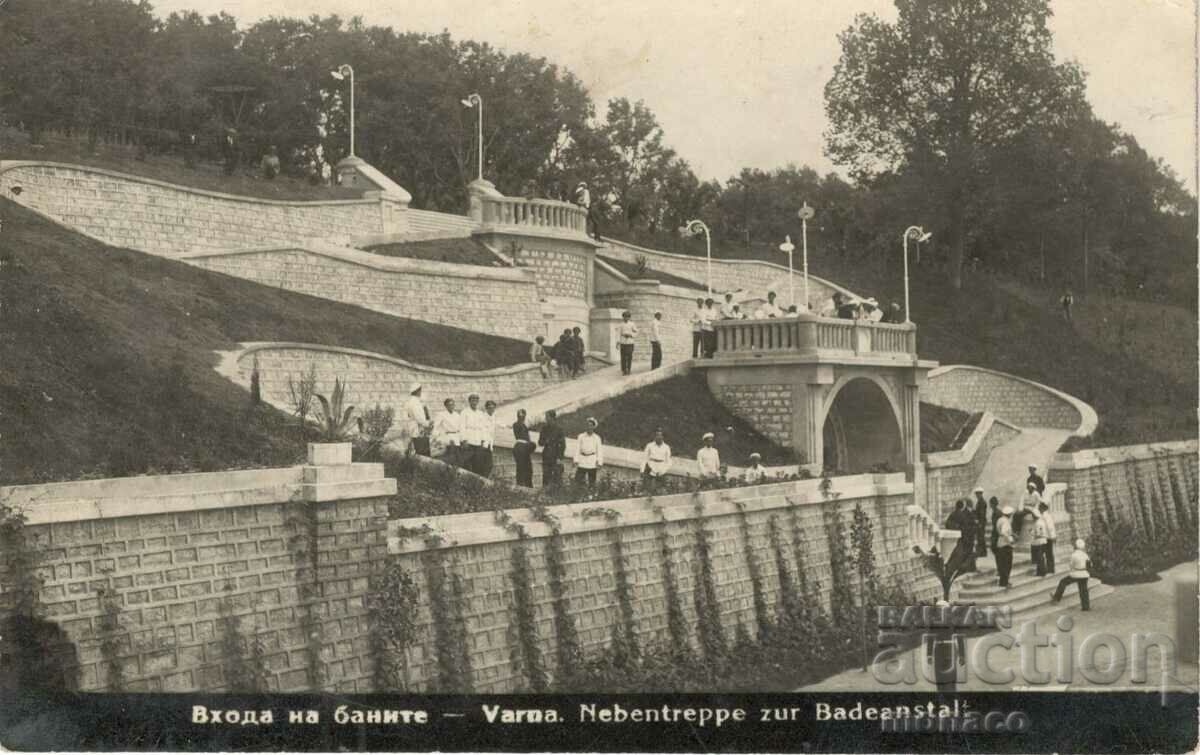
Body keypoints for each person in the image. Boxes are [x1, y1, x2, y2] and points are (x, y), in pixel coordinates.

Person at [924, 599, 967, 694]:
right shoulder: (934, 622)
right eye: (938, 609)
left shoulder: (953, 621)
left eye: (941, 609)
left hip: (950, 649)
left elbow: (959, 637)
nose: (939, 611)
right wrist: (929, 655)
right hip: (938, 649)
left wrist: (962, 655)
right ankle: (942, 699)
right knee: (939, 677)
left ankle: (953, 697)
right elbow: (930, 638)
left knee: (951, 676)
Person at [1049, 540, 1091, 611]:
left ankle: (1056, 598)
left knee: (1063, 582)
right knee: (1084, 590)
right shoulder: (1085, 555)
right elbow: (1089, 565)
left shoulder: (1074, 555)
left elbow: (1071, 565)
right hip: (1084, 573)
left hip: (1076, 573)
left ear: (1076, 546)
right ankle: (1086, 607)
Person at [461, 393, 491, 476]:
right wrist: (464, 440)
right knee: (467, 462)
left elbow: (483, 428)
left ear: (478, 402)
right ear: (469, 401)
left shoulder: (480, 413)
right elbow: (462, 427)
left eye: (476, 400)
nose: (474, 402)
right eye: (472, 400)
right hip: (469, 440)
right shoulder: (464, 412)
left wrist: (483, 440)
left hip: (478, 440)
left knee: (478, 462)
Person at [432, 398, 464, 466]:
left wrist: (461, 438)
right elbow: (435, 426)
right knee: (449, 456)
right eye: (449, 405)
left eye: (452, 405)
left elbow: (460, 428)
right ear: (445, 406)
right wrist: (438, 436)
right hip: (447, 437)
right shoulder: (441, 414)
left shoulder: (457, 415)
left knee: (458, 457)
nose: (451, 406)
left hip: (456, 437)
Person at [539, 410, 566, 488]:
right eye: (546, 417)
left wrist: (560, 457)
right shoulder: (544, 428)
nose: (546, 419)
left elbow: (563, 445)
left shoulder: (559, 429)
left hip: (555, 456)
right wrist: (545, 441)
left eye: (547, 417)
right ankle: (545, 493)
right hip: (546, 456)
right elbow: (540, 442)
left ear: (552, 418)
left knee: (557, 477)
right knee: (546, 476)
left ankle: (556, 494)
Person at [404, 382, 433, 456]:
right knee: (423, 453)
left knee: (420, 451)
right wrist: (428, 423)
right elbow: (419, 418)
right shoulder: (415, 402)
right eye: (420, 390)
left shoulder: (410, 401)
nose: (421, 392)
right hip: (419, 429)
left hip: (416, 429)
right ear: (417, 391)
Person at [573, 418, 603, 486]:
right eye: (587, 425)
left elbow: (599, 450)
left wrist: (599, 462)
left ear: (593, 427)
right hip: (582, 460)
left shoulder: (597, 438)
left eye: (591, 425)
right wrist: (576, 460)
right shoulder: (581, 436)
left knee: (592, 481)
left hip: (592, 461)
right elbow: (577, 449)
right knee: (578, 480)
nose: (589, 427)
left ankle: (590, 494)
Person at [642, 428, 672, 494]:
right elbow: (644, 458)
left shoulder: (666, 447)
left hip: (661, 467)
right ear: (654, 436)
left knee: (662, 489)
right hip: (651, 466)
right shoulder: (649, 445)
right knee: (648, 487)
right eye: (657, 435)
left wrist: (664, 470)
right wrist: (642, 470)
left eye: (660, 435)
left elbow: (668, 460)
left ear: (663, 437)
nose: (658, 437)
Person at [512, 408, 535, 487]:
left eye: (523, 417)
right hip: (520, 447)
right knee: (521, 468)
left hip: (525, 448)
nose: (522, 418)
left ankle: (527, 485)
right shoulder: (516, 424)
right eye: (520, 416)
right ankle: (520, 485)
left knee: (528, 468)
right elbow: (520, 436)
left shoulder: (524, 425)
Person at [995, 506, 1015, 588]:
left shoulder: (1000, 520)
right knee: (1007, 564)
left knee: (1002, 563)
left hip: (1000, 543)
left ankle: (1003, 581)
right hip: (1006, 544)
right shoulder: (1006, 521)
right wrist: (1011, 539)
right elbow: (1004, 532)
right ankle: (1005, 582)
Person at [1039, 501, 1057, 574]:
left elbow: (1050, 527)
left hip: (1048, 537)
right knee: (1047, 553)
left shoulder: (1046, 516)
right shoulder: (1042, 515)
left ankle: (1051, 568)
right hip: (1045, 537)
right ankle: (1049, 568)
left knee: (1048, 553)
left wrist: (1053, 536)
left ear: (1043, 508)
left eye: (1040, 508)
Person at [618, 311, 638, 376]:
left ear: (629, 317)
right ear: (623, 317)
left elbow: (636, 332)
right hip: (623, 342)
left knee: (629, 357)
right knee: (623, 357)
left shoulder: (632, 324)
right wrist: (618, 342)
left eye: (627, 317)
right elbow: (618, 333)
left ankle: (629, 369)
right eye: (624, 317)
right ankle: (624, 370)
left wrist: (630, 335)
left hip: (630, 342)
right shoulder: (621, 325)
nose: (626, 318)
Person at [1030, 508, 1048, 576]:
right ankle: (1041, 571)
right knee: (1041, 557)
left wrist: (1031, 532)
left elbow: (1038, 534)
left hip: (1039, 542)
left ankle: (1041, 571)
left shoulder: (1037, 523)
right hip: (1043, 541)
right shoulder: (1041, 521)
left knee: (1039, 557)